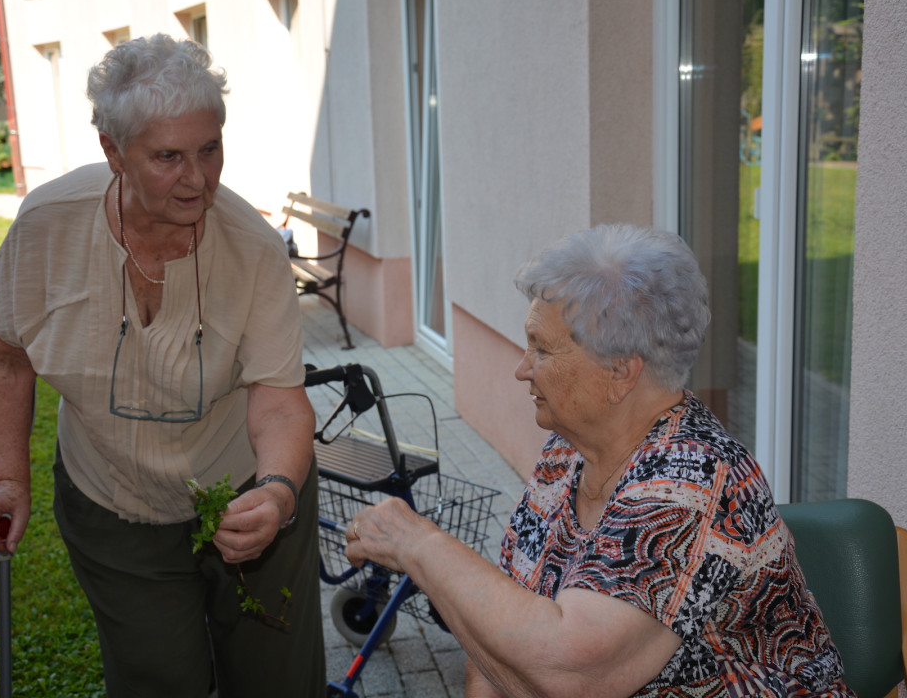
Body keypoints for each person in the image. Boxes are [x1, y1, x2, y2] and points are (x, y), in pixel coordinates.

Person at [344, 224, 854, 697]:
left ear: (620, 373)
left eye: (540, 349)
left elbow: (568, 670)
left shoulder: (697, 479)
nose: (522, 369)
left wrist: (418, 545)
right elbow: (499, 638)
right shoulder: (566, 454)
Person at [0, 34, 324, 697]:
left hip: (246, 494)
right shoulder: (48, 225)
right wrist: (7, 479)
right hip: (113, 503)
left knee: (277, 680)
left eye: (209, 149)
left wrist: (277, 493)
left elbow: (278, 398)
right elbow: (4, 357)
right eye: (168, 157)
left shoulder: (252, 249)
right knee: (159, 681)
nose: (198, 178)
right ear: (113, 152)